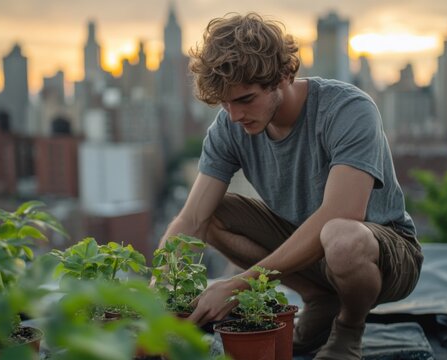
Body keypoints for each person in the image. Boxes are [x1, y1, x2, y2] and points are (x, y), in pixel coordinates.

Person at [156, 12, 423, 359]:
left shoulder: (348, 109)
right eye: (225, 103)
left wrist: (239, 284)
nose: (234, 115)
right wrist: (157, 290)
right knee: (212, 213)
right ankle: (318, 298)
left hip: (383, 253)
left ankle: (349, 328)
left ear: (284, 75)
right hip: (310, 250)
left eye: (246, 99)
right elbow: (191, 221)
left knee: (340, 238)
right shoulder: (229, 127)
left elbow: (341, 214)